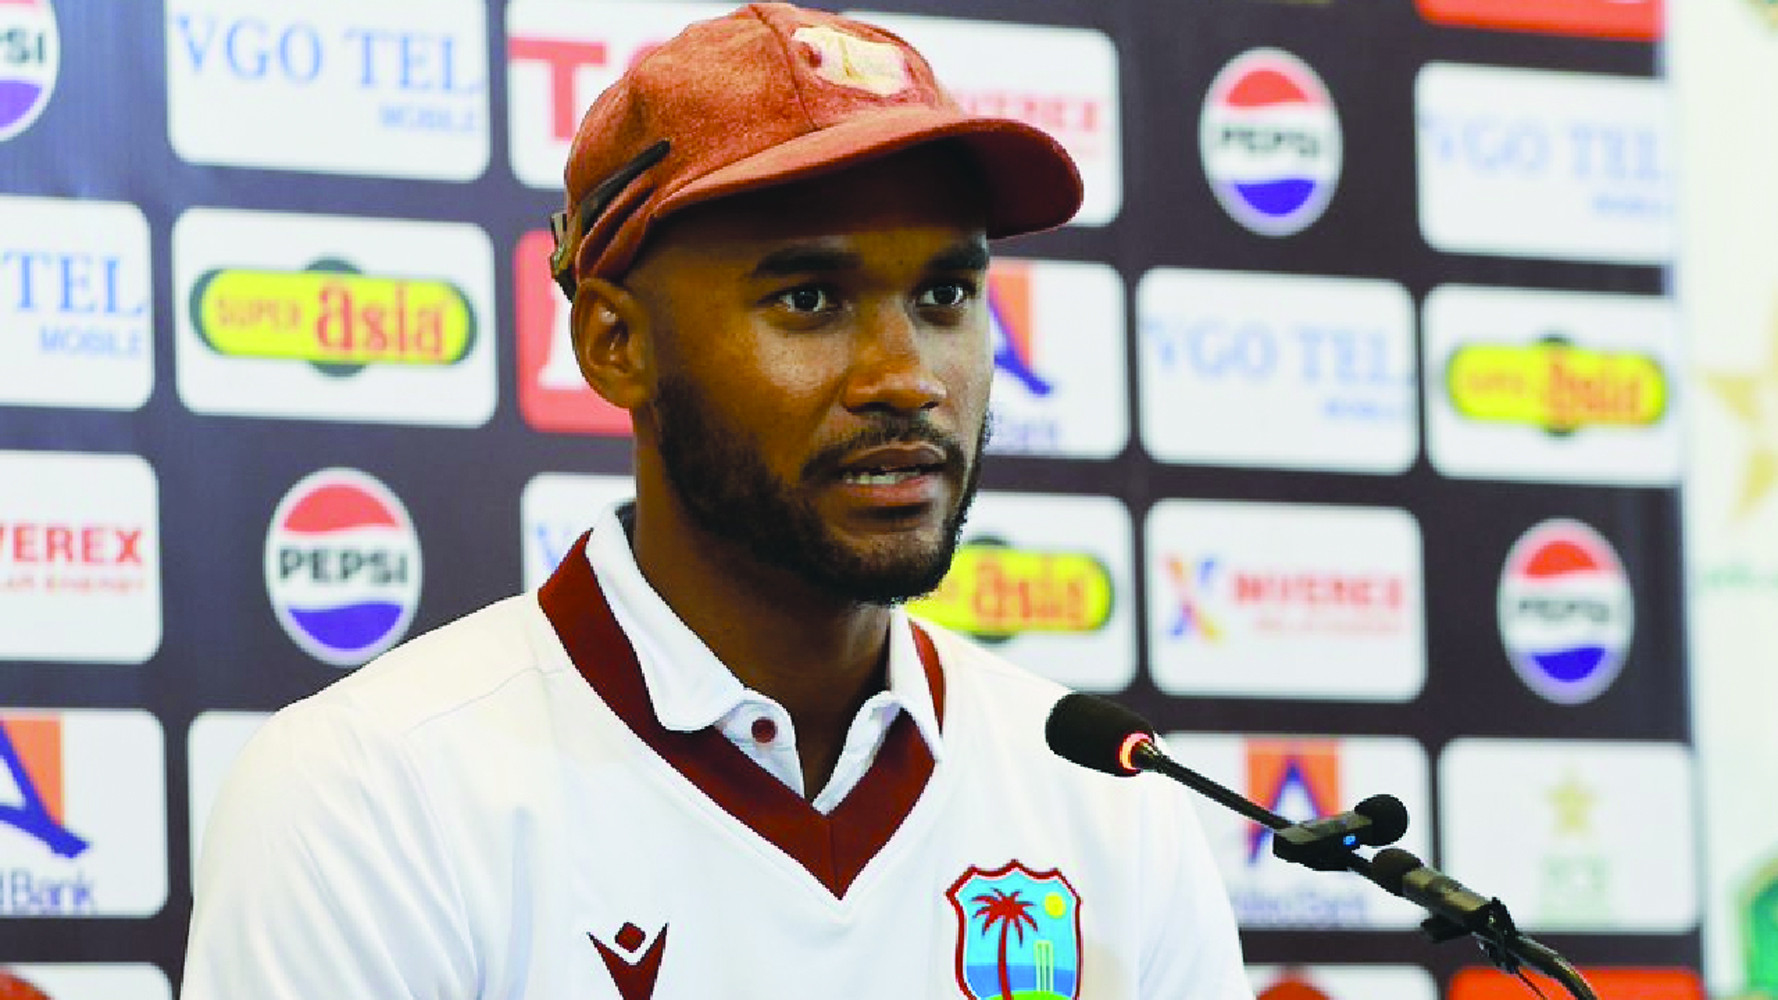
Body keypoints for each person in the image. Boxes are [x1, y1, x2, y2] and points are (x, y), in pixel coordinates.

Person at [181, 4, 1252, 997]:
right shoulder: (368, 796)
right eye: (807, 297)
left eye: (943, 295)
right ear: (615, 343)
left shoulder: (1113, 803)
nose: (907, 375)